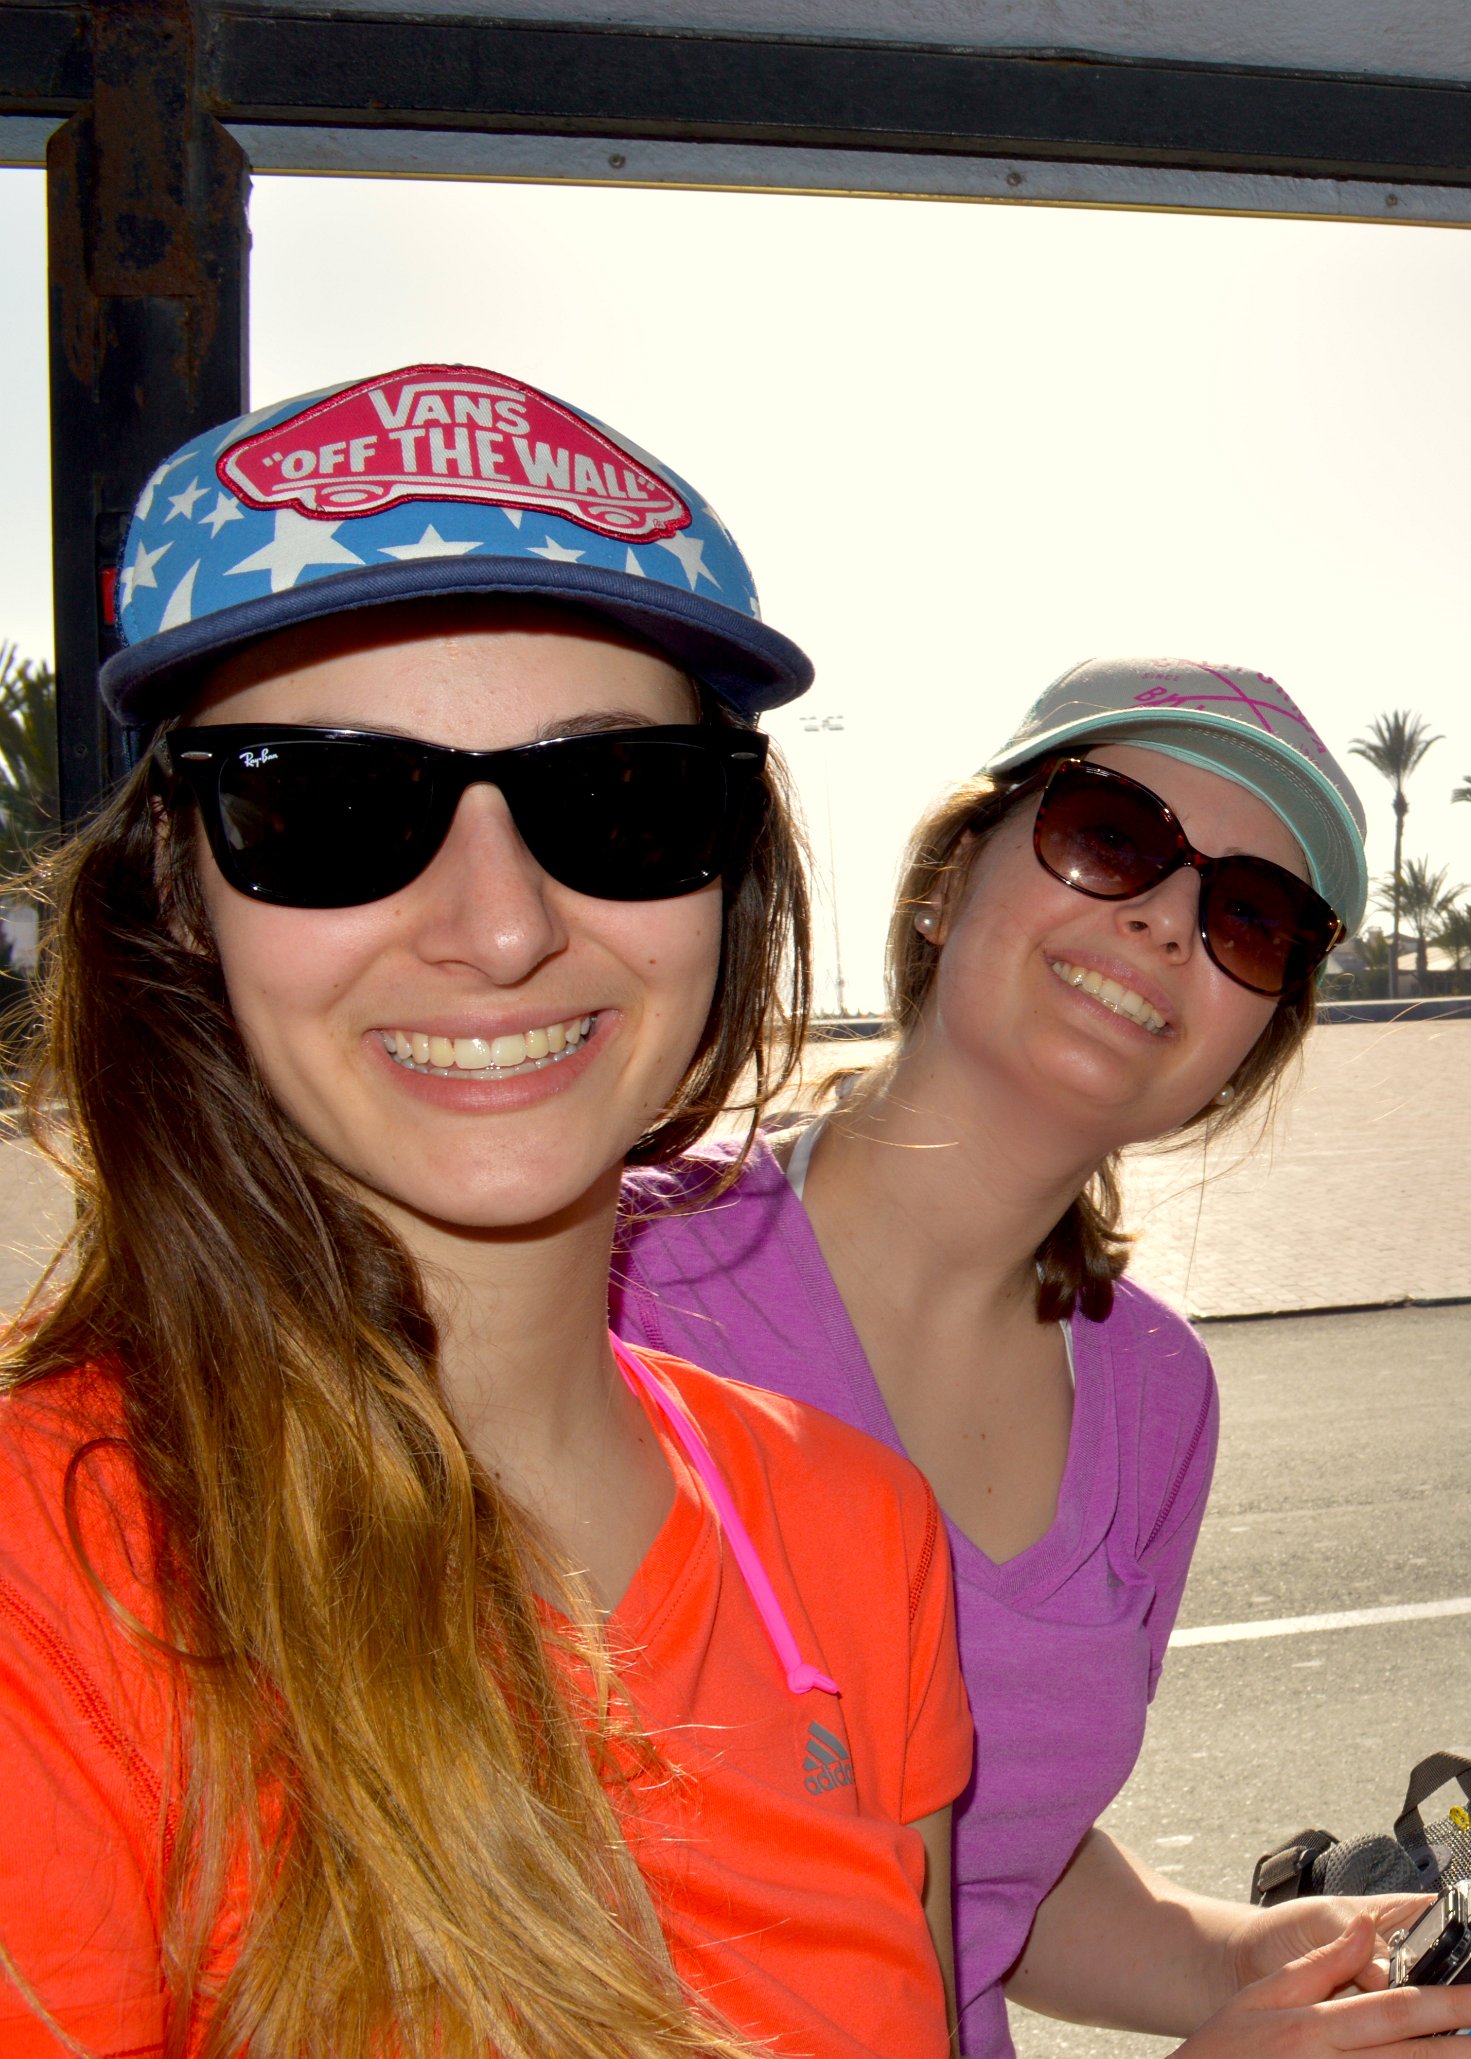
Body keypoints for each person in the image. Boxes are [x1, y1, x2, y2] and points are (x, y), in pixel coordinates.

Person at [0, 366, 972, 2055]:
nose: (503, 926)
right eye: (325, 808)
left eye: (622, 799)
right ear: (182, 891)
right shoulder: (48, 1582)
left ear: (731, 875)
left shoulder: (857, 1530)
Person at [618, 658, 1471, 2059]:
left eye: (1252, 917)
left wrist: (1245, 1959)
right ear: (948, 879)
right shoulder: (610, 1278)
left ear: (1254, 1037)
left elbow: (992, 1879)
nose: (1167, 921)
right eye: (1109, 836)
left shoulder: (1155, 1391)